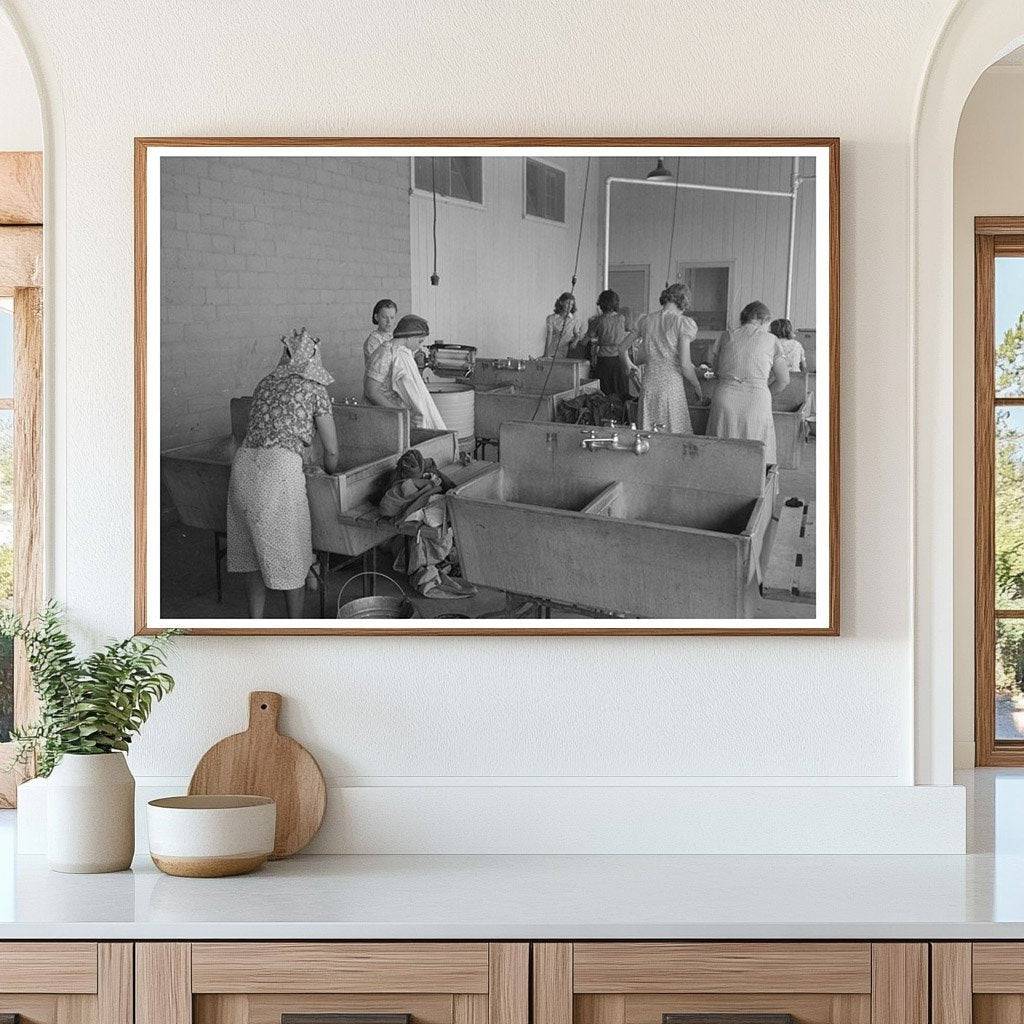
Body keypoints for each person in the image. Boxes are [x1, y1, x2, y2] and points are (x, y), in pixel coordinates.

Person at [227, 327, 339, 619]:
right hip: (278, 471)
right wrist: (331, 474)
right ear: (314, 358)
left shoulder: (265, 383)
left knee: (252, 552)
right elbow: (332, 451)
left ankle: (255, 624)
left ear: (286, 354)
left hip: (243, 467)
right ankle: (295, 629)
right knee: (294, 555)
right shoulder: (316, 389)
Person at [706, 301, 791, 466]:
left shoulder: (726, 336)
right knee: (755, 449)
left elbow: (716, 371)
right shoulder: (772, 340)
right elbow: (783, 380)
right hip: (756, 399)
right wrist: (762, 391)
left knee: (723, 447)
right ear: (762, 320)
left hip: (726, 396)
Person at [633, 282, 702, 433]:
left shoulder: (646, 320)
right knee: (673, 433)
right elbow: (685, 365)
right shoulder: (681, 322)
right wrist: (696, 385)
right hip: (671, 387)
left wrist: (629, 365)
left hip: (649, 385)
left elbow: (632, 353)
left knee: (648, 434)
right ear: (683, 302)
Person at [364, 312, 446, 429]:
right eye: (419, 342)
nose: (419, 346)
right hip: (382, 418)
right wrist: (402, 412)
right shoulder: (386, 354)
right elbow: (371, 391)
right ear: (409, 337)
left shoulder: (400, 352)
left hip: (395, 418)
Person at [583, 289, 637, 402]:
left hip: (604, 359)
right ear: (616, 303)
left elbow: (586, 340)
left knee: (604, 392)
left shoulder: (597, 320)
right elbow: (633, 332)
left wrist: (590, 327)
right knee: (621, 391)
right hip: (620, 358)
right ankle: (622, 416)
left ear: (601, 304)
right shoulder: (622, 318)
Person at [363, 298, 398, 405]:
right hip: (379, 396)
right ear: (376, 317)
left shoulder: (394, 337)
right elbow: (380, 368)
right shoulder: (373, 341)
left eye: (392, 317)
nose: (389, 322)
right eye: (384, 317)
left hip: (393, 394)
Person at [543, 292, 587, 359]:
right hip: (553, 352)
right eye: (567, 303)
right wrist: (545, 354)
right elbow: (549, 337)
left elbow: (576, 334)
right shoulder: (551, 318)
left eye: (572, 304)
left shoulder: (574, 319)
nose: (570, 306)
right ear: (561, 302)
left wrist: (575, 341)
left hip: (567, 353)